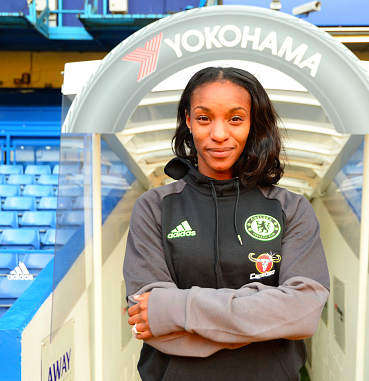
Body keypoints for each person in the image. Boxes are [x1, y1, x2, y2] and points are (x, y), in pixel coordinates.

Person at [123, 66, 329, 381]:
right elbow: (147, 321)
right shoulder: (154, 208)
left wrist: (177, 309)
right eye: (205, 118)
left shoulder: (291, 209)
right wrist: (263, 319)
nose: (219, 134)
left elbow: (302, 313)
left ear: (253, 124)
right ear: (189, 121)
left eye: (235, 119)